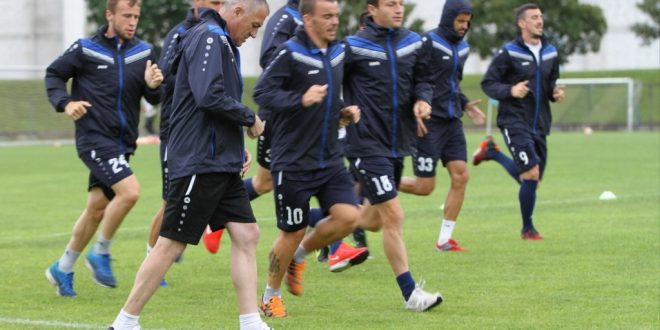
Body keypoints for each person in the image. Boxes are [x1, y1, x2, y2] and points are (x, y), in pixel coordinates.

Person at [110, 1, 271, 329]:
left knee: (247, 233)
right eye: (254, 26)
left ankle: (251, 322)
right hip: (200, 160)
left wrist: (234, 149)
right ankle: (125, 322)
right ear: (237, 11)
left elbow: (211, 102)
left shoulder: (221, 40)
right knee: (171, 242)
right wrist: (248, 117)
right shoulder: (209, 37)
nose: (254, 35)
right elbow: (208, 96)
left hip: (218, 160)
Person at [252, 0, 365, 318]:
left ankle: (300, 257)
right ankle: (270, 295)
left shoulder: (338, 51)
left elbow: (331, 93)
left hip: (329, 157)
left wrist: (343, 110)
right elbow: (262, 93)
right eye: (326, 16)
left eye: (336, 16)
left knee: (349, 218)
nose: (333, 22)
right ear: (307, 19)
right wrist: (299, 99)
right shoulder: (289, 52)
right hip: (293, 160)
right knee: (292, 231)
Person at [44, 0, 163, 298]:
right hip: (94, 138)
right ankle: (101, 252)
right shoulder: (85, 49)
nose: (133, 21)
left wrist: (152, 86)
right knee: (131, 192)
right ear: (109, 15)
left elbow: (156, 95)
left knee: (96, 209)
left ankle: (63, 267)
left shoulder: (144, 52)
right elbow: (54, 75)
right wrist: (66, 103)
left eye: (136, 16)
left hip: (123, 143)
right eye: (126, 15)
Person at [342, 0, 443, 311]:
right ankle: (411, 294)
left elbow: (424, 80)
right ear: (372, 9)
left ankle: (306, 241)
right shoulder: (353, 47)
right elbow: (330, 83)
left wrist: (422, 101)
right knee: (394, 216)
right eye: (390, 3)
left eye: (401, 3)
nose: (399, 8)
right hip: (365, 144)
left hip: (398, 144)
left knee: (369, 221)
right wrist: (340, 111)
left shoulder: (414, 42)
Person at [201, 0, 303, 254]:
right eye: (254, 26)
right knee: (290, 179)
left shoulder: (316, 18)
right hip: (280, 116)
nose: (255, 33)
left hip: (301, 115)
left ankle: (332, 241)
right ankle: (329, 241)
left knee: (267, 185)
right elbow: (269, 58)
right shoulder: (287, 18)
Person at [145, 0, 226, 287]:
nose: (218, 5)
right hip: (176, 131)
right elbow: (163, 78)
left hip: (206, 132)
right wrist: (155, 81)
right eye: (214, 1)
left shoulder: (221, 33)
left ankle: (208, 226)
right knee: (171, 200)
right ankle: (152, 259)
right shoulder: (180, 33)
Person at [398, 0, 484, 252]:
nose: (464, 26)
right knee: (425, 187)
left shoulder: (464, 48)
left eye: (467, 21)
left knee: (461, 175)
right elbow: (416, 79)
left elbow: (452, 84)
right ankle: (379, 180)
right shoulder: (428, 42)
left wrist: (466, 104)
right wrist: (416, 108)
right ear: (448, 19)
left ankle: (445, 239)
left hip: (452, 121)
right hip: (428, 122)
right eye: (460, 21)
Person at [475, 3, 565, 240]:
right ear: (522, 23)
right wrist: (511, 90)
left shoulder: (551, 52)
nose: (539, 21)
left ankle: (492, 153)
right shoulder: (508, 52)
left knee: (532, 181)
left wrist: (554, 92)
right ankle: (527, 229)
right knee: (531, 174)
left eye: (540, 17)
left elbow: (550, 83)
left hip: (540, 123)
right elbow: (488, 84)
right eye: (534, 18)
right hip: (514, 121)